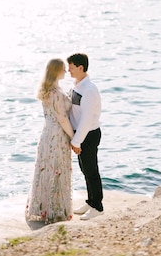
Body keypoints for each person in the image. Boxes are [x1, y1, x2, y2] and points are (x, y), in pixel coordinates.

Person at [25, 58, 74, 223]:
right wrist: (74, 137)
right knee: (57, 169)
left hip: (47, 133)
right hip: (58, 135)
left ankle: (43, 207)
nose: (66, 72)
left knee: (47, 168)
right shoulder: (56, 94)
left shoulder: (47, 90)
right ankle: (55, 209)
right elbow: (62, 119)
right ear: (57, 71)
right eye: (63, 69)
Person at [67, 53, 104, 220]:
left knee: (91, 171)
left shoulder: (89, 89)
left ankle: (97, 206)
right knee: (85, 170)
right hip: (81, 134)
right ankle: (90, 202)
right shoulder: (77, 85)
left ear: (80, 67)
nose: (69, 70)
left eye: (72, 67)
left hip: (89, 134)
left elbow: (87, 119)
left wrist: (76, 141)